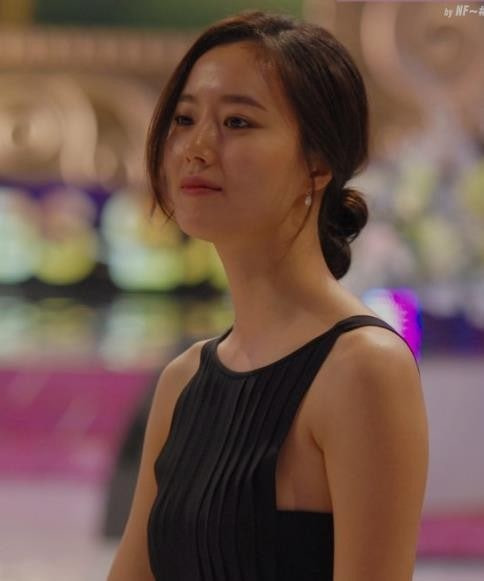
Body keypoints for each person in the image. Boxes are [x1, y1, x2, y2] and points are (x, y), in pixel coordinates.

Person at [107, 9, 428, 581]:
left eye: (237, 122)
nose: (196, 147)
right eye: (184, 118)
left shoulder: (362, 369)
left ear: (318, 162)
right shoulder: (183, 379)